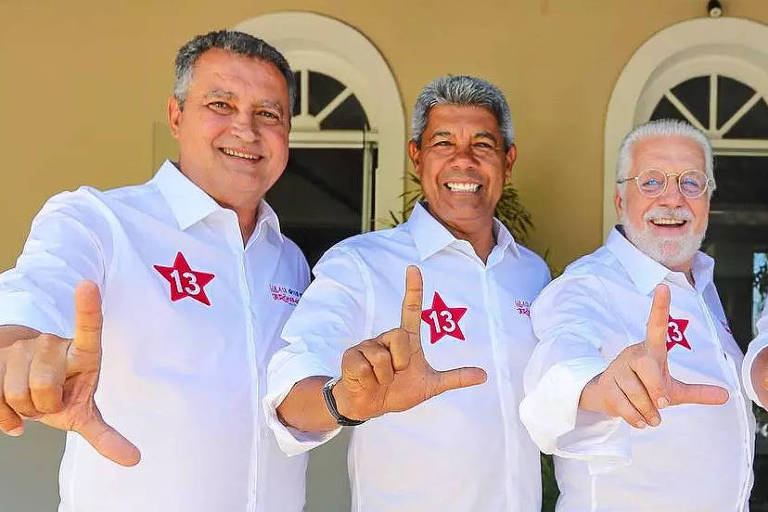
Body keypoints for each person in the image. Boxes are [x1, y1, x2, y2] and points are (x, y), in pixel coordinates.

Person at [0, 30, 311, 511]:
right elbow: (38, 289)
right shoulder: (100, 221)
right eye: (221, 105)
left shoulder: (289, 260)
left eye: (268, 114)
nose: (246, 130)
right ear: (176, 115)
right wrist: (14, 347)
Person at [264, 75, 551, 511]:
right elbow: (291, 379)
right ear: (416, 156)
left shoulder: (531, 272)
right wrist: (343, 400)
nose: (463, 161)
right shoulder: (361, 264)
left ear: (507, 161)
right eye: (443, 143)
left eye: (483, 145)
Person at [520, 119, 754, 511]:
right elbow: (554, 370)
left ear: (707, 200)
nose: (673, 199)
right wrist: (597, 387)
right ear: (619, 200)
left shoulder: (702, 286)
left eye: (691, 182)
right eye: (651, 182)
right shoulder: (587, 286)